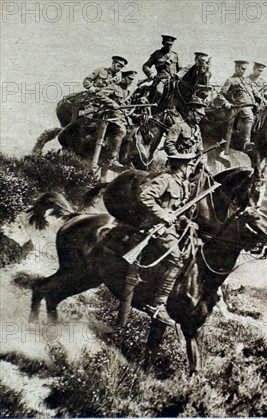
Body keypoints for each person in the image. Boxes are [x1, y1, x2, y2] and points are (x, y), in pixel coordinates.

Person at [138, 152, 198, 326]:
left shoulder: (183, 184)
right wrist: (162, 214)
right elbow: (145, 197)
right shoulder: (166, 179)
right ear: (183, 166)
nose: (191, 169)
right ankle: (158, 305)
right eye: (190, 166)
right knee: (177, 261)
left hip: (171, 226)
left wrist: (185, 221)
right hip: (157, 226)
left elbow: (177, 209)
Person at [214, 60, 261, 152]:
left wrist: (260, 97)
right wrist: (226, 103)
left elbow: (255, 92)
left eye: (245, 69)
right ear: (236, 67)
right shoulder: (231, 80)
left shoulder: (247, 80)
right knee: (249, 117)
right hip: (241, 107)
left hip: (253, 106)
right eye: (242, 68)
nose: (244, 71)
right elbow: (221, 94)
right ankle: (246, 143)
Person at [96, 70, 137, 169]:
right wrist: (113, 104)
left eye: (132, 80)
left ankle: (124, 159)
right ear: (124, 77)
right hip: (110, 115)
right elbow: (100, 95)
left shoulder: (128, 92)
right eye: (129, 79)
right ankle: (112, 159)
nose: (131, 82)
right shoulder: (114, 87)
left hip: (122, 117)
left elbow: (127, 107)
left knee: (133, 131)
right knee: (121, 130)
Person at [142, 34, 180, 103]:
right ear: (163, 43)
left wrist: (179, 75)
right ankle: (154, 106)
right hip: (162, 79)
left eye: (171, 45)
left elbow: (180, 68)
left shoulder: (175, 55)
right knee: (159, 91)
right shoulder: (156, 54)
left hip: (174, 80)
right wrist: (150, 74)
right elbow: (145, 66)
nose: (169, 46)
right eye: (167, 44)